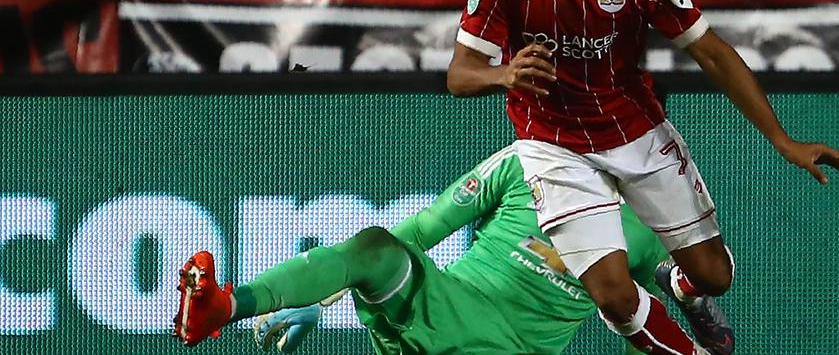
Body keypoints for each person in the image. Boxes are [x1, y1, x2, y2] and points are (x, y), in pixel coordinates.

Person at [447, 0, 839, 355]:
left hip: (636, 133)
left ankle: (684, 286)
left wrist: (782, 139)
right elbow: (459, 75)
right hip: (552, 144)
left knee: (715, 276)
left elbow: (712, 52)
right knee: (614, 296)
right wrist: (505, 73)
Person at [173, 146, 726, 354]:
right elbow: (417, 233)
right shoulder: (521, 161)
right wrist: (320, 301)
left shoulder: (649, 222)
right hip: (441, 308)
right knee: (374, 247)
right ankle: (225, 305)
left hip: (510, 349)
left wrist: (699, 308)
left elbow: (649, 317)